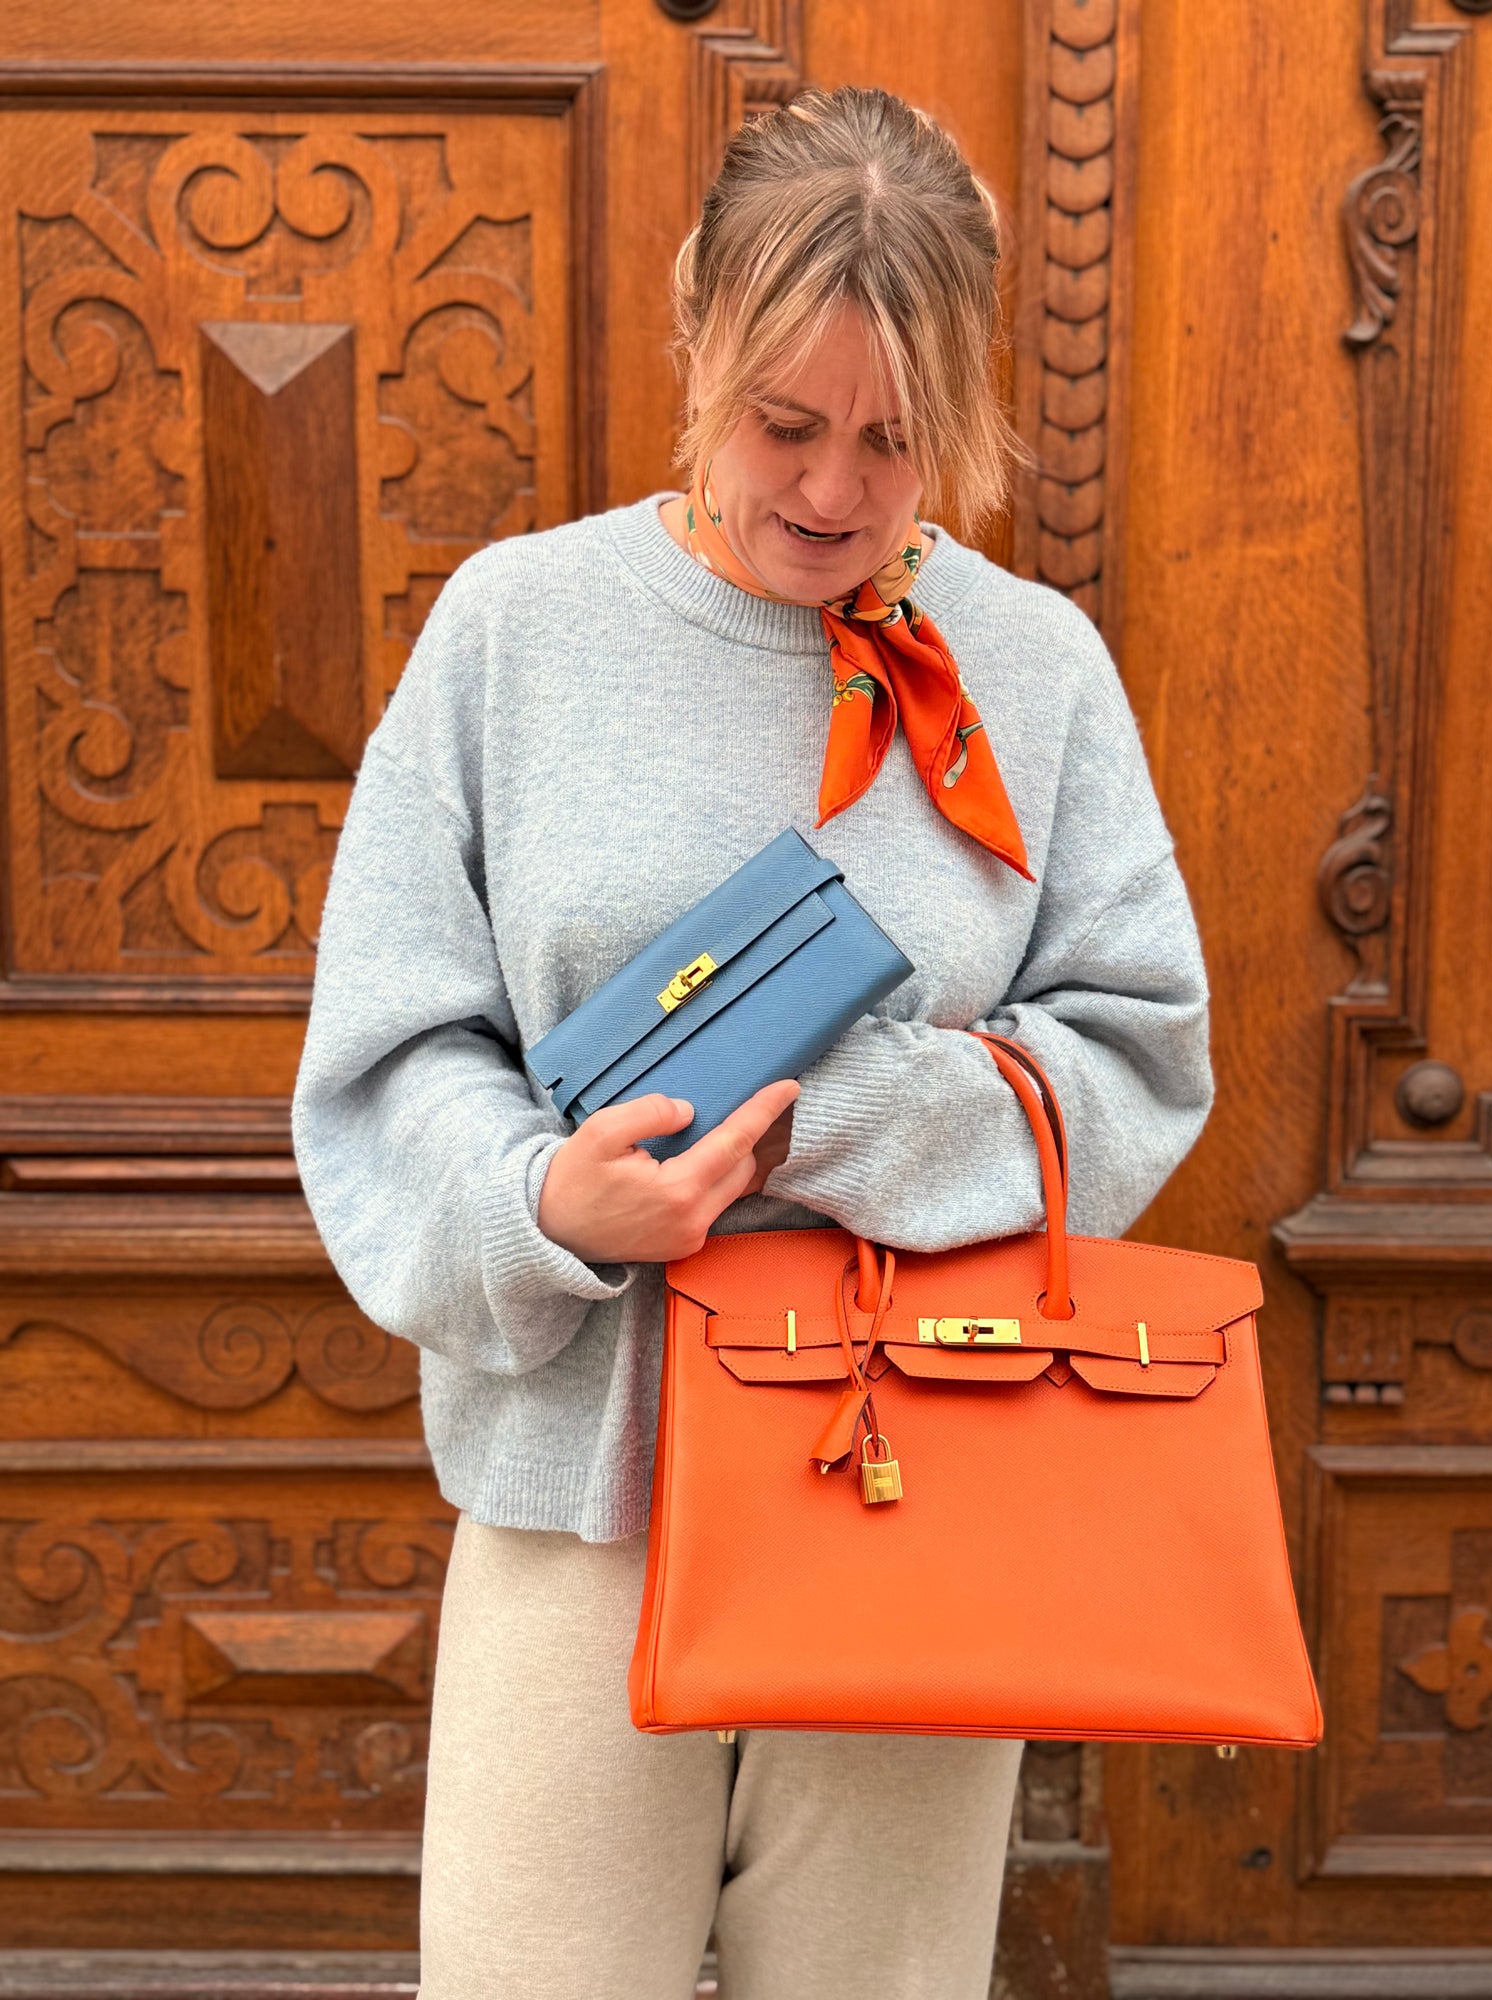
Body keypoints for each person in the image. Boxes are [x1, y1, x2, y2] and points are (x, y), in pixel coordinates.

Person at [292, 83, 1213, 2000]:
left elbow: (1136, 1051)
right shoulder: (511, 632)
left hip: (916, 1491)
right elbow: (389, 1055)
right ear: (699, 320)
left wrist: (824, 1117)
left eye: (897, 440)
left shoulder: (1030, 668)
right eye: (787, 423)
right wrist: (550, 1201)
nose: (833, 491)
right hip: (577, 1513)